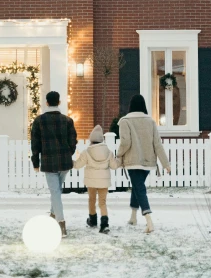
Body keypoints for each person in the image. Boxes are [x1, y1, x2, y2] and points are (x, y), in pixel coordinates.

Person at [116, 94, 171, 234]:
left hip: (133, 161)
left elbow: (125, 143)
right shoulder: (151, 121)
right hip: (147, 162)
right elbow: (157, 144)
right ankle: (133, 217)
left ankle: (149, 221)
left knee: (139, 189)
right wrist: (166, 164)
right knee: (137, 186)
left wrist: (119, 154)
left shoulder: (125, 121)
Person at [30, 91, 77, 237]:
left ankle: (61, 223)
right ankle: (52, 214)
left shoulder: (39, 121)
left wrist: (35, 162)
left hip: (49, 161)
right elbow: (73, 142)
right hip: (64, 161)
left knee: (55, 192)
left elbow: (35, 144)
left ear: (47, 103)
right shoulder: (68, 121)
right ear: (59, 102)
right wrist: (69, 153)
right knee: (57, 191)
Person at [73, 124, 118, 233]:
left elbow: (77, 165)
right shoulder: (108, 152)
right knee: (102, 202)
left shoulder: (87, 152)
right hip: (104, 181)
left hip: (91, 181)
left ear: (92, 139)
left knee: (91, 200)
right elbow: (114, 166)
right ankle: (104, 224)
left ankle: (92, 220)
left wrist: (69, 161)